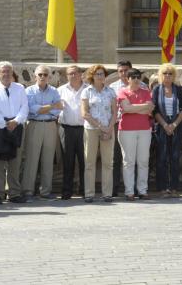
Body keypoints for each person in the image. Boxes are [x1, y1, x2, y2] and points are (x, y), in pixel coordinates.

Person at [0, 61, 29, 205]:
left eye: (9, 71)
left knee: (15, 162)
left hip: (16, 127)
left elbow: (24, 107)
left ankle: (14, 193)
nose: (6, 74)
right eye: (3, 71)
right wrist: (5, 124)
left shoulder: (20, 88)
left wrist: (16, 121)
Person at [24, 65, 63, 200]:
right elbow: (32, 109)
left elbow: (59, 110)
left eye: (45, 75)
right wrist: (51, 106)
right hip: (34, 125)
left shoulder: (54, 91)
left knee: (48, 159)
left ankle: (46, 191)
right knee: (31, 159)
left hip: (50, 125)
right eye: (40, 74)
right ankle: (28, 191)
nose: (42, 77)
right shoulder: (29, 91)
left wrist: (44, 109)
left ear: (49, 77)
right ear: (35, 76)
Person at [82, 64, 117, 203]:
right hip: (91, 129)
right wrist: (101, 127)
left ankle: (107, 193)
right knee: (89, 162)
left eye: (102, 74)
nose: (100, 76)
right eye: (97, 74)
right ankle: (89, 193)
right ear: (92, 76)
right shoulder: (87, 92)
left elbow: (115, 112)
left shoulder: (111, 92)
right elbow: (84, 113)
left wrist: (109, 128)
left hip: (108, 128)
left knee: (108, 162)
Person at [117, 69, 154, 200]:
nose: (136, 79)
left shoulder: (146, 91)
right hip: (127, 130)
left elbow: (150, 109)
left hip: (144, 129)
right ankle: (129, 192)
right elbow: (126, 108)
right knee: (129, 161)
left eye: (138, 77)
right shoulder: (122, 91)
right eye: (133, 77)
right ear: (127, 79)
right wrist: (142, 108)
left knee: (143, 160)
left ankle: (143, 191)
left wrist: (134, 108)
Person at [153, 63, 182, 198]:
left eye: (170, 73)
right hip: (162, 127)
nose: (167, 76)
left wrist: (173, 125)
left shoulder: (178, 89)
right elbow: (154, 110)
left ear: (174, 76)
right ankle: (162, 188)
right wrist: (164, 125)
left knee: (174, 157)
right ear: (161, 75)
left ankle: (174, 188)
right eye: (165, 73)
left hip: (176, 126)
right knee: (161, 158)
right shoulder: (157, 89)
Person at [57, 65, 87, 200]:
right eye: (70, 74)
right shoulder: (60, 90)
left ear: (81, 74)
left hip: (84, 129)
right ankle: (67, 191)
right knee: (67, 161)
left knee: (84, 161)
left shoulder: (88, 89)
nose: (73, 76)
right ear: (66, 76)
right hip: (66, 129)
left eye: (75, 73)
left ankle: (85, 190)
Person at [108, 60, 133, 196]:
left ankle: (131, 188)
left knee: (131, 157)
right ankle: (114, 188)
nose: (123, 73)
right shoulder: (112, 87)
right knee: (116, 157)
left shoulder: (138, 84)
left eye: (126, 70)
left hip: (134, 125)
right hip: (118, 124)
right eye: (121, 71)